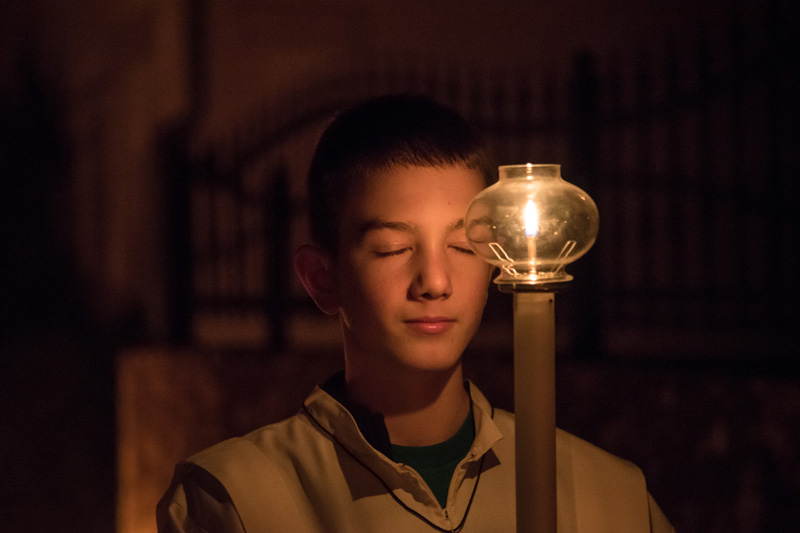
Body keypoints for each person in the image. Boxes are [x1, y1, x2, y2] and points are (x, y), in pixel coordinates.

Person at [157, 95, 674, 532]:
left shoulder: (608, 497)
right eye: (391, 248)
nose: (435, 282)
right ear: (322, 278)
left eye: (463, 246)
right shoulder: (239, 498)